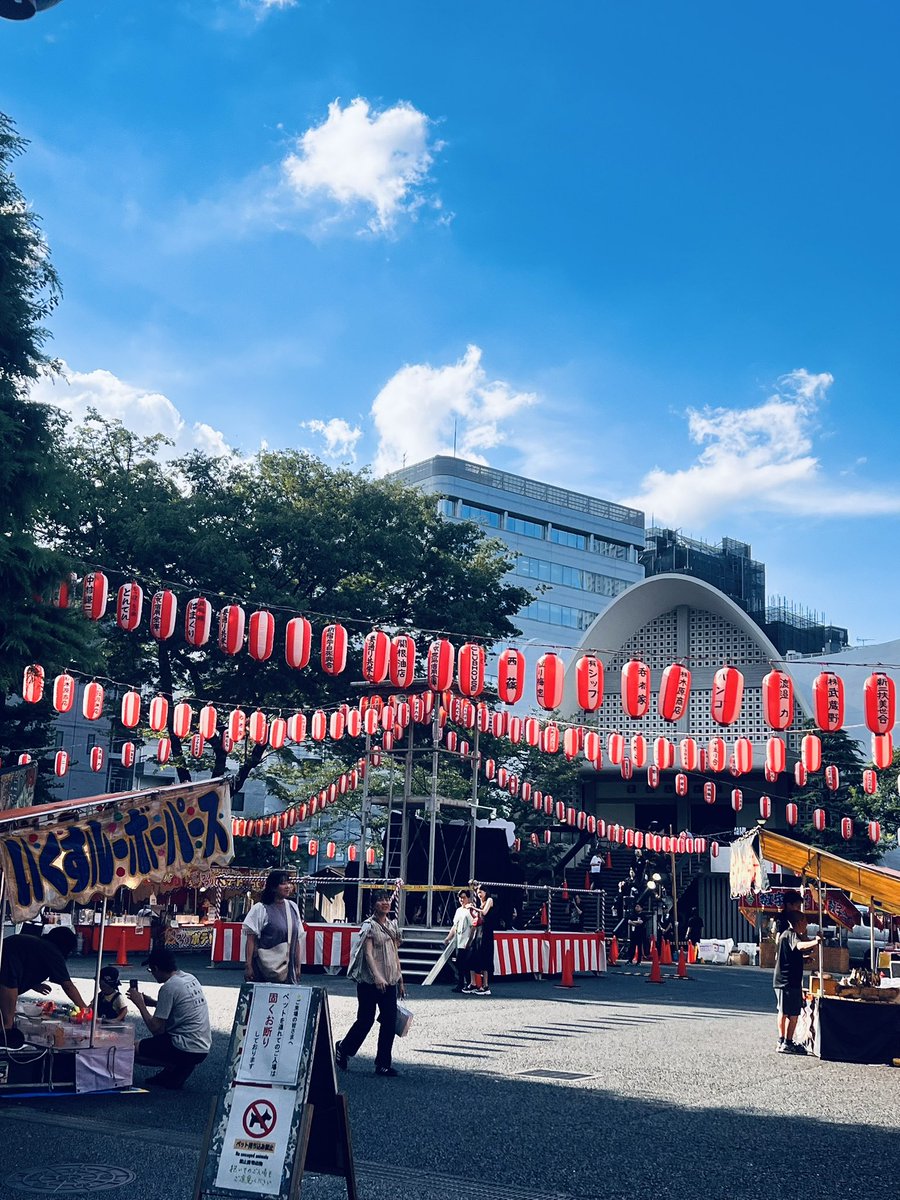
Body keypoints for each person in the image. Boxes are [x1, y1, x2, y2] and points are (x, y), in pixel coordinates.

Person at [335, 893, 405, 1077]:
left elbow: (394, 953)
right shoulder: (369, 925)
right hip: (369, 981)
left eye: (387, 900)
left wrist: (400, 979)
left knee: (389, 1021)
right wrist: (377, 977)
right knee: (366, 1020)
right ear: (373, 904)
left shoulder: (392, 925)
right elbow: (368, 954)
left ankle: (383, 1064)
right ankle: (344, 1048)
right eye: (380, 900)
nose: (384, 903)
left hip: (390, 980)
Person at [127, 947, 211, 1088]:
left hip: (184, 1046)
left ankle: (175, 1065)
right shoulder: (189, 978)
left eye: (151, 970)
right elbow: (180, 1005)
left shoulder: (168, 987)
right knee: (152, 1042)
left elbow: (156, 1029)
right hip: (202, 1045)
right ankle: (175, 1069)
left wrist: (140, 1004)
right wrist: (153, 1003)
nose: (152, 974)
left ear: (156, 968)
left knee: (130, 1048)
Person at [0, 927, 87, 1047]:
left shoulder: (39, 944)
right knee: (7, 1023)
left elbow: (25, 963)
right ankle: (5, 1042)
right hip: (7, 974)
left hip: (7, 962)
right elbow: (68, 986)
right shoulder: (52, 950)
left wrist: (33, 983)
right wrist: (84, 1008)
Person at [773, 910, 821, 1055]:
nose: (806, 925)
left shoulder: (788, 936)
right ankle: (784, 1041)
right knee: (789, 1012)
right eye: (805, 922)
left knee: (789, 1012)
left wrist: (805, 959)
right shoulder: (791, 934)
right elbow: (799, 946)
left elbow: (794, 954)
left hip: (790, 980)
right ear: (799, 922)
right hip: (786, 981)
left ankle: (785, 1041)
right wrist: (816, 941)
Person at [242, 869, 302, 983]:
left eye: (289, 883)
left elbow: (297, 939)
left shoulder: (293, 907)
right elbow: (250, 939)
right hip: (265, 968)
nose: (288, 886)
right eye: (283, 883)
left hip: (289, 968)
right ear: (273, 887)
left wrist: (298, 966)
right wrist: (248, 966)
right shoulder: (260, 909)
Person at [444, 889, 475, 992]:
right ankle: (463, 983)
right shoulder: (458, 910)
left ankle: (468, 983)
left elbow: (473, 926)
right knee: (460, 964)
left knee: (465, 964)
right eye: (460, 897)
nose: (462, 900)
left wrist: (470, 941)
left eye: (464, 897)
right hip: (459, 940)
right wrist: (449, 937)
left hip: (466, 940)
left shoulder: (471, 910)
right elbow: (455, 925)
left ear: (468, 898)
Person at [468, 885, 496, 995]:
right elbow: (478, 917)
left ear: (485, 892)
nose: (480, 894)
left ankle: (485, 985)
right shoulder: (480, 903)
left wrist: (474, 908)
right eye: (478, 892)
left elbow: (484, 912)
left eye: (481, 892)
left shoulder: (489, 900)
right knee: (477, 956)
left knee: (486, 957)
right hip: (480, 931)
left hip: (487, 931)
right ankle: (477, 984)